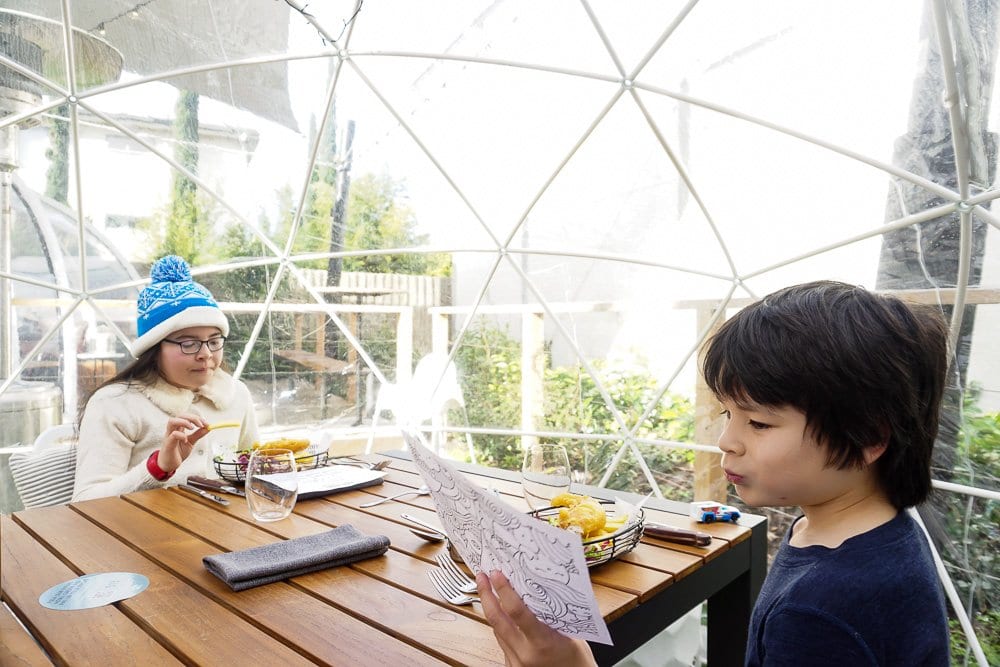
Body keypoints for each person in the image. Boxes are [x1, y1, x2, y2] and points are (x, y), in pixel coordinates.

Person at [476, 280, 951, 666]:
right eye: (728, 415)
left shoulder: (821, 611)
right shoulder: (861, 535)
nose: (728, 440)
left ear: (868, 436)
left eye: (759, 422)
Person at [73, 255, 259, 501]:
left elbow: (253, 468)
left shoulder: (236, 395)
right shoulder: (114, 404)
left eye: (214, 341)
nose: (206, 354)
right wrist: (158, 467)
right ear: (154, 348)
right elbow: (85, 502)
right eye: (189, 343)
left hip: (230, 532)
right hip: (142, 536)